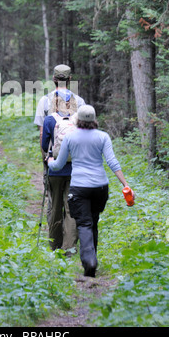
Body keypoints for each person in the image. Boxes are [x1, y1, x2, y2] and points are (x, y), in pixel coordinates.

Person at [47, 104, 133, 277]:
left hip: (79, 187)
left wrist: (50, 161)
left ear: (77, 119)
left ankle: (90, 262)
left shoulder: (70, 137)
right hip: (100, 187)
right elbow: (112, 162)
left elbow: (59, 164)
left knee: (84, 223)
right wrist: (125, 184)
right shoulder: (103, 137)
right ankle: (91, 258)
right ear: (94, 119)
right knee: (93, 221)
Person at [34, 64, 85, 224]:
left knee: (53, 202)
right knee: (72, 202)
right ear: (70, 79)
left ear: (54, 79)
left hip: (52, 157)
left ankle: (55, 244)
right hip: (75, 159)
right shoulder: (80, 101)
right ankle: (69, 246)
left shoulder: (45, 101)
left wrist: (46, 156)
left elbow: (42, 132)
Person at [42, 89, 78, 253]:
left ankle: (54, 246)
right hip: (74, 170)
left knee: (55, 207)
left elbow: (44, 145)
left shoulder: (50, 120)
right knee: (71, 209)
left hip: (55, 170)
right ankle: (69, 247)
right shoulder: (77, 120)